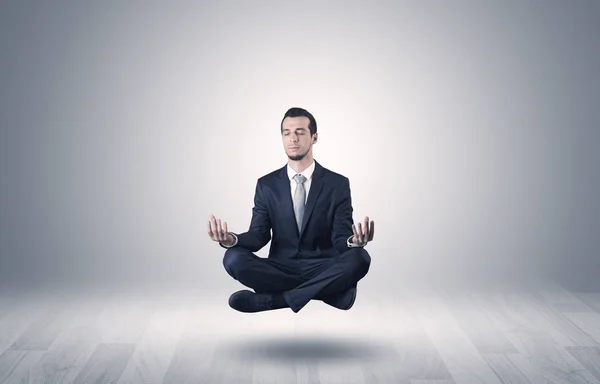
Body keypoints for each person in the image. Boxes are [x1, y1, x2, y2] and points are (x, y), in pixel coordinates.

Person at [207, 107, 374, 313]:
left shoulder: (337, 183)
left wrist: (354, 242)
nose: (292, 138)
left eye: (300, 132)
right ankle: (330, 292)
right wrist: (231, 239)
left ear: (314, 137)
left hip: (321, 266)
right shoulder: (266, 185)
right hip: (280, 268)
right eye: (287, 133)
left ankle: (275, 300)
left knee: (360, 258)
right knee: (233, 258)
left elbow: (340, 238)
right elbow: (258, 235)